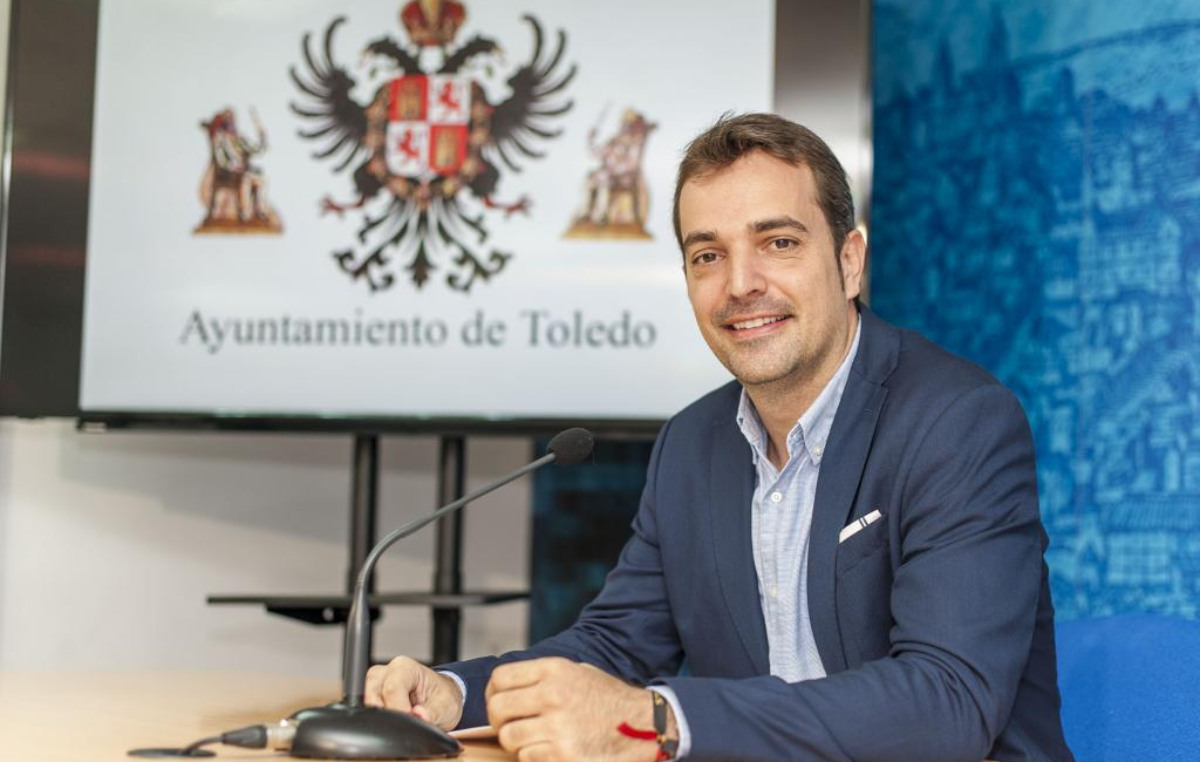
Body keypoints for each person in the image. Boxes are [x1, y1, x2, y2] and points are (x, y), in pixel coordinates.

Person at [365, 113, 1073, 762]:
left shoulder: (958, 422)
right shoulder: (691, 443)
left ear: (850, 262)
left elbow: (948, 703)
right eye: (707, 256)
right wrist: (457, 696)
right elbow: (613, 646)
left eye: (779, 243)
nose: (740, 284)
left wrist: (660, 721)